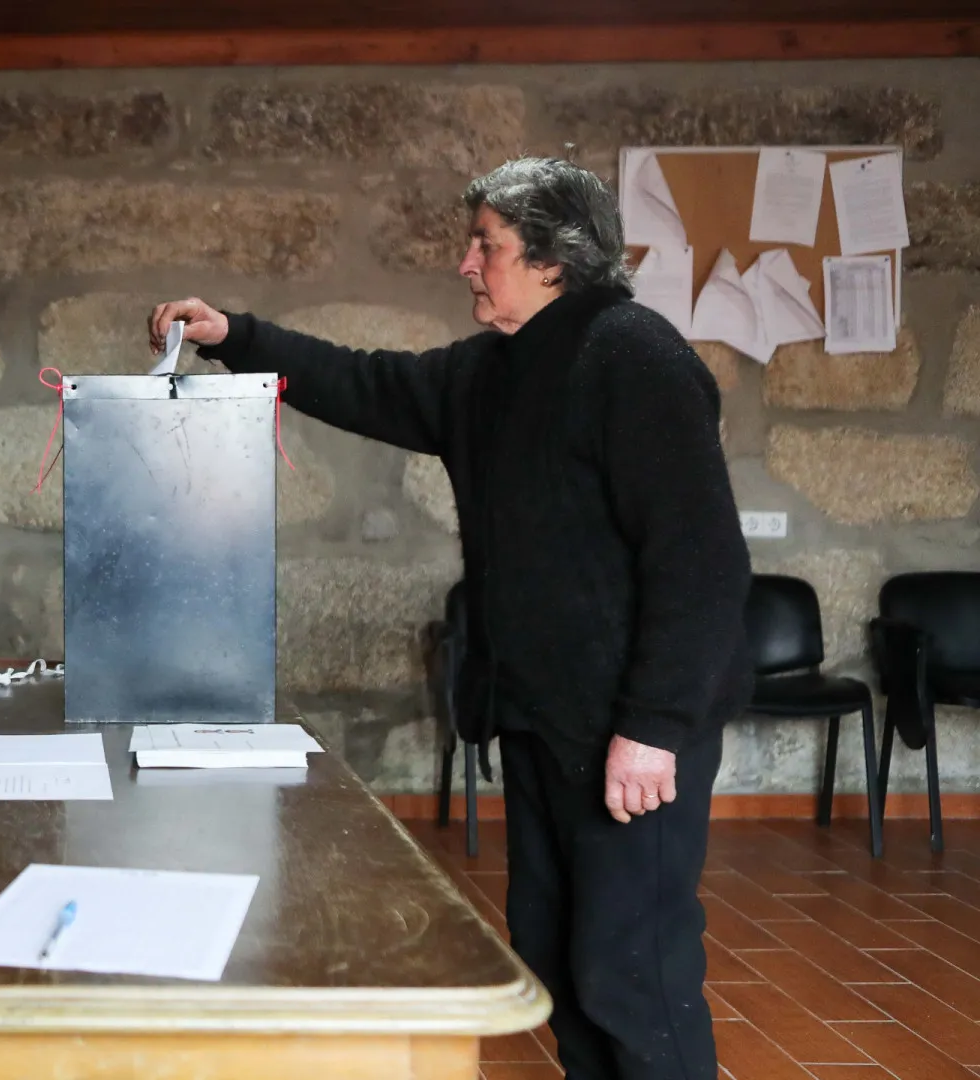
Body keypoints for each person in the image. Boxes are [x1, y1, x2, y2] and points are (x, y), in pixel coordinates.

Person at [150, 157, 750, 1080]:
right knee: (554, 954)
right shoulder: (492, 370)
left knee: (636, 973)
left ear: (554, 258)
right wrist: (237, 336)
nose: (467, 264)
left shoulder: (636, 358)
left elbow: (702, 566)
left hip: (628, 735)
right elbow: (363, 384)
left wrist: (656, 727)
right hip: (541, 720)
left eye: (487, 246)